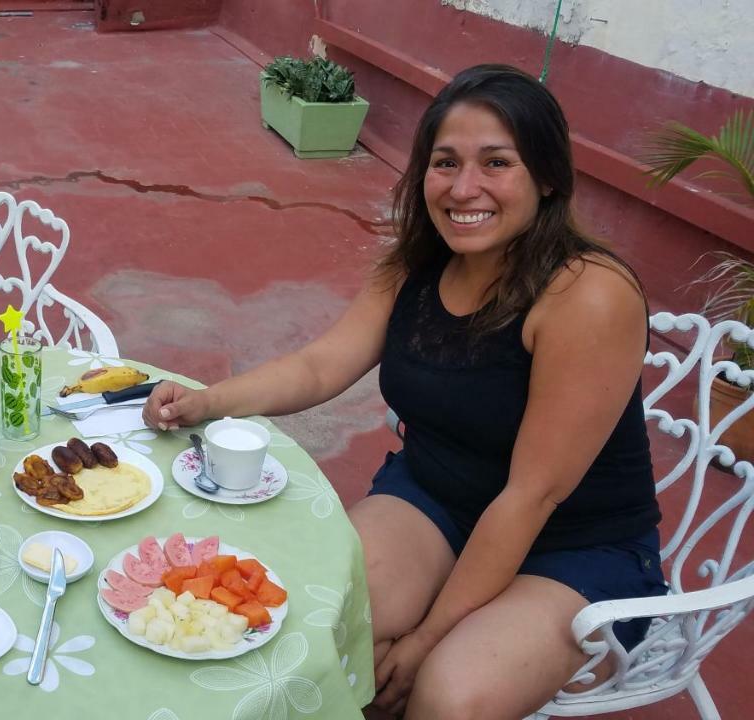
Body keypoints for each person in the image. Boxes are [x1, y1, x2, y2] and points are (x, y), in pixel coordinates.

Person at [141, 63, 667, 719]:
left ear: (548, 176)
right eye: (445, 162)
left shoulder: (586, 295)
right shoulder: (418, 265)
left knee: (447, 693)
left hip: (571, 543)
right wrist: (208, 400)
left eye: (496, 163)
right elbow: (320, 365)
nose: (464, 187)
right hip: (437, 499)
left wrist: (424, 640)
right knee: (316, 621)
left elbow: (532, 496)